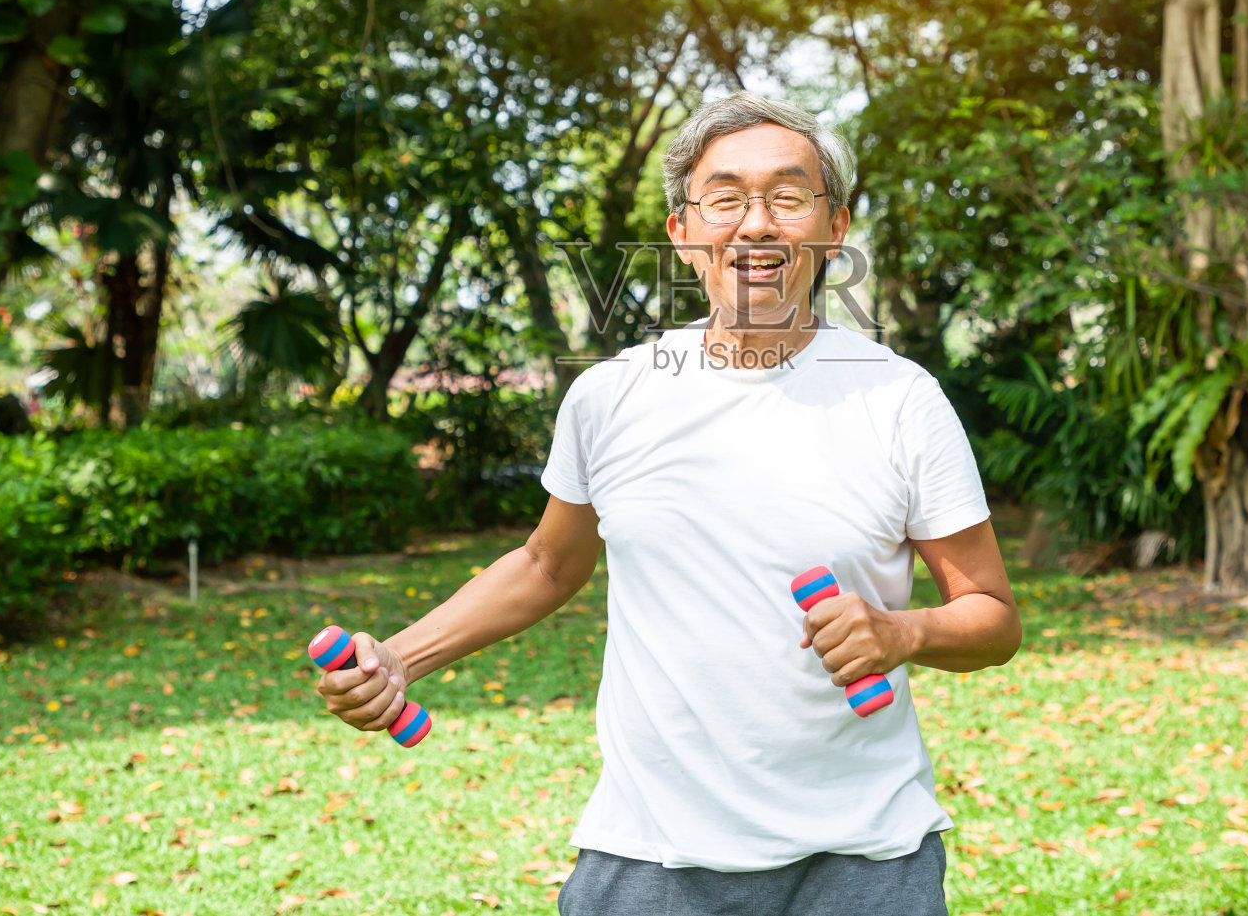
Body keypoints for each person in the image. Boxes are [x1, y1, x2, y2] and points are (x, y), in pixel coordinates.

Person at [315, 92, 1022, 916]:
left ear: (834, 226)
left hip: (863, 863)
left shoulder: (902, 399)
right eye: (724, 198)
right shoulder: (611, 396)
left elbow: (993, 615)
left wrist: (906, 630)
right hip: (652, 860)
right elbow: (547, 565)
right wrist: (402, 657)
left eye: (788, 197)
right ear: (683, 231)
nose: (755, 224)